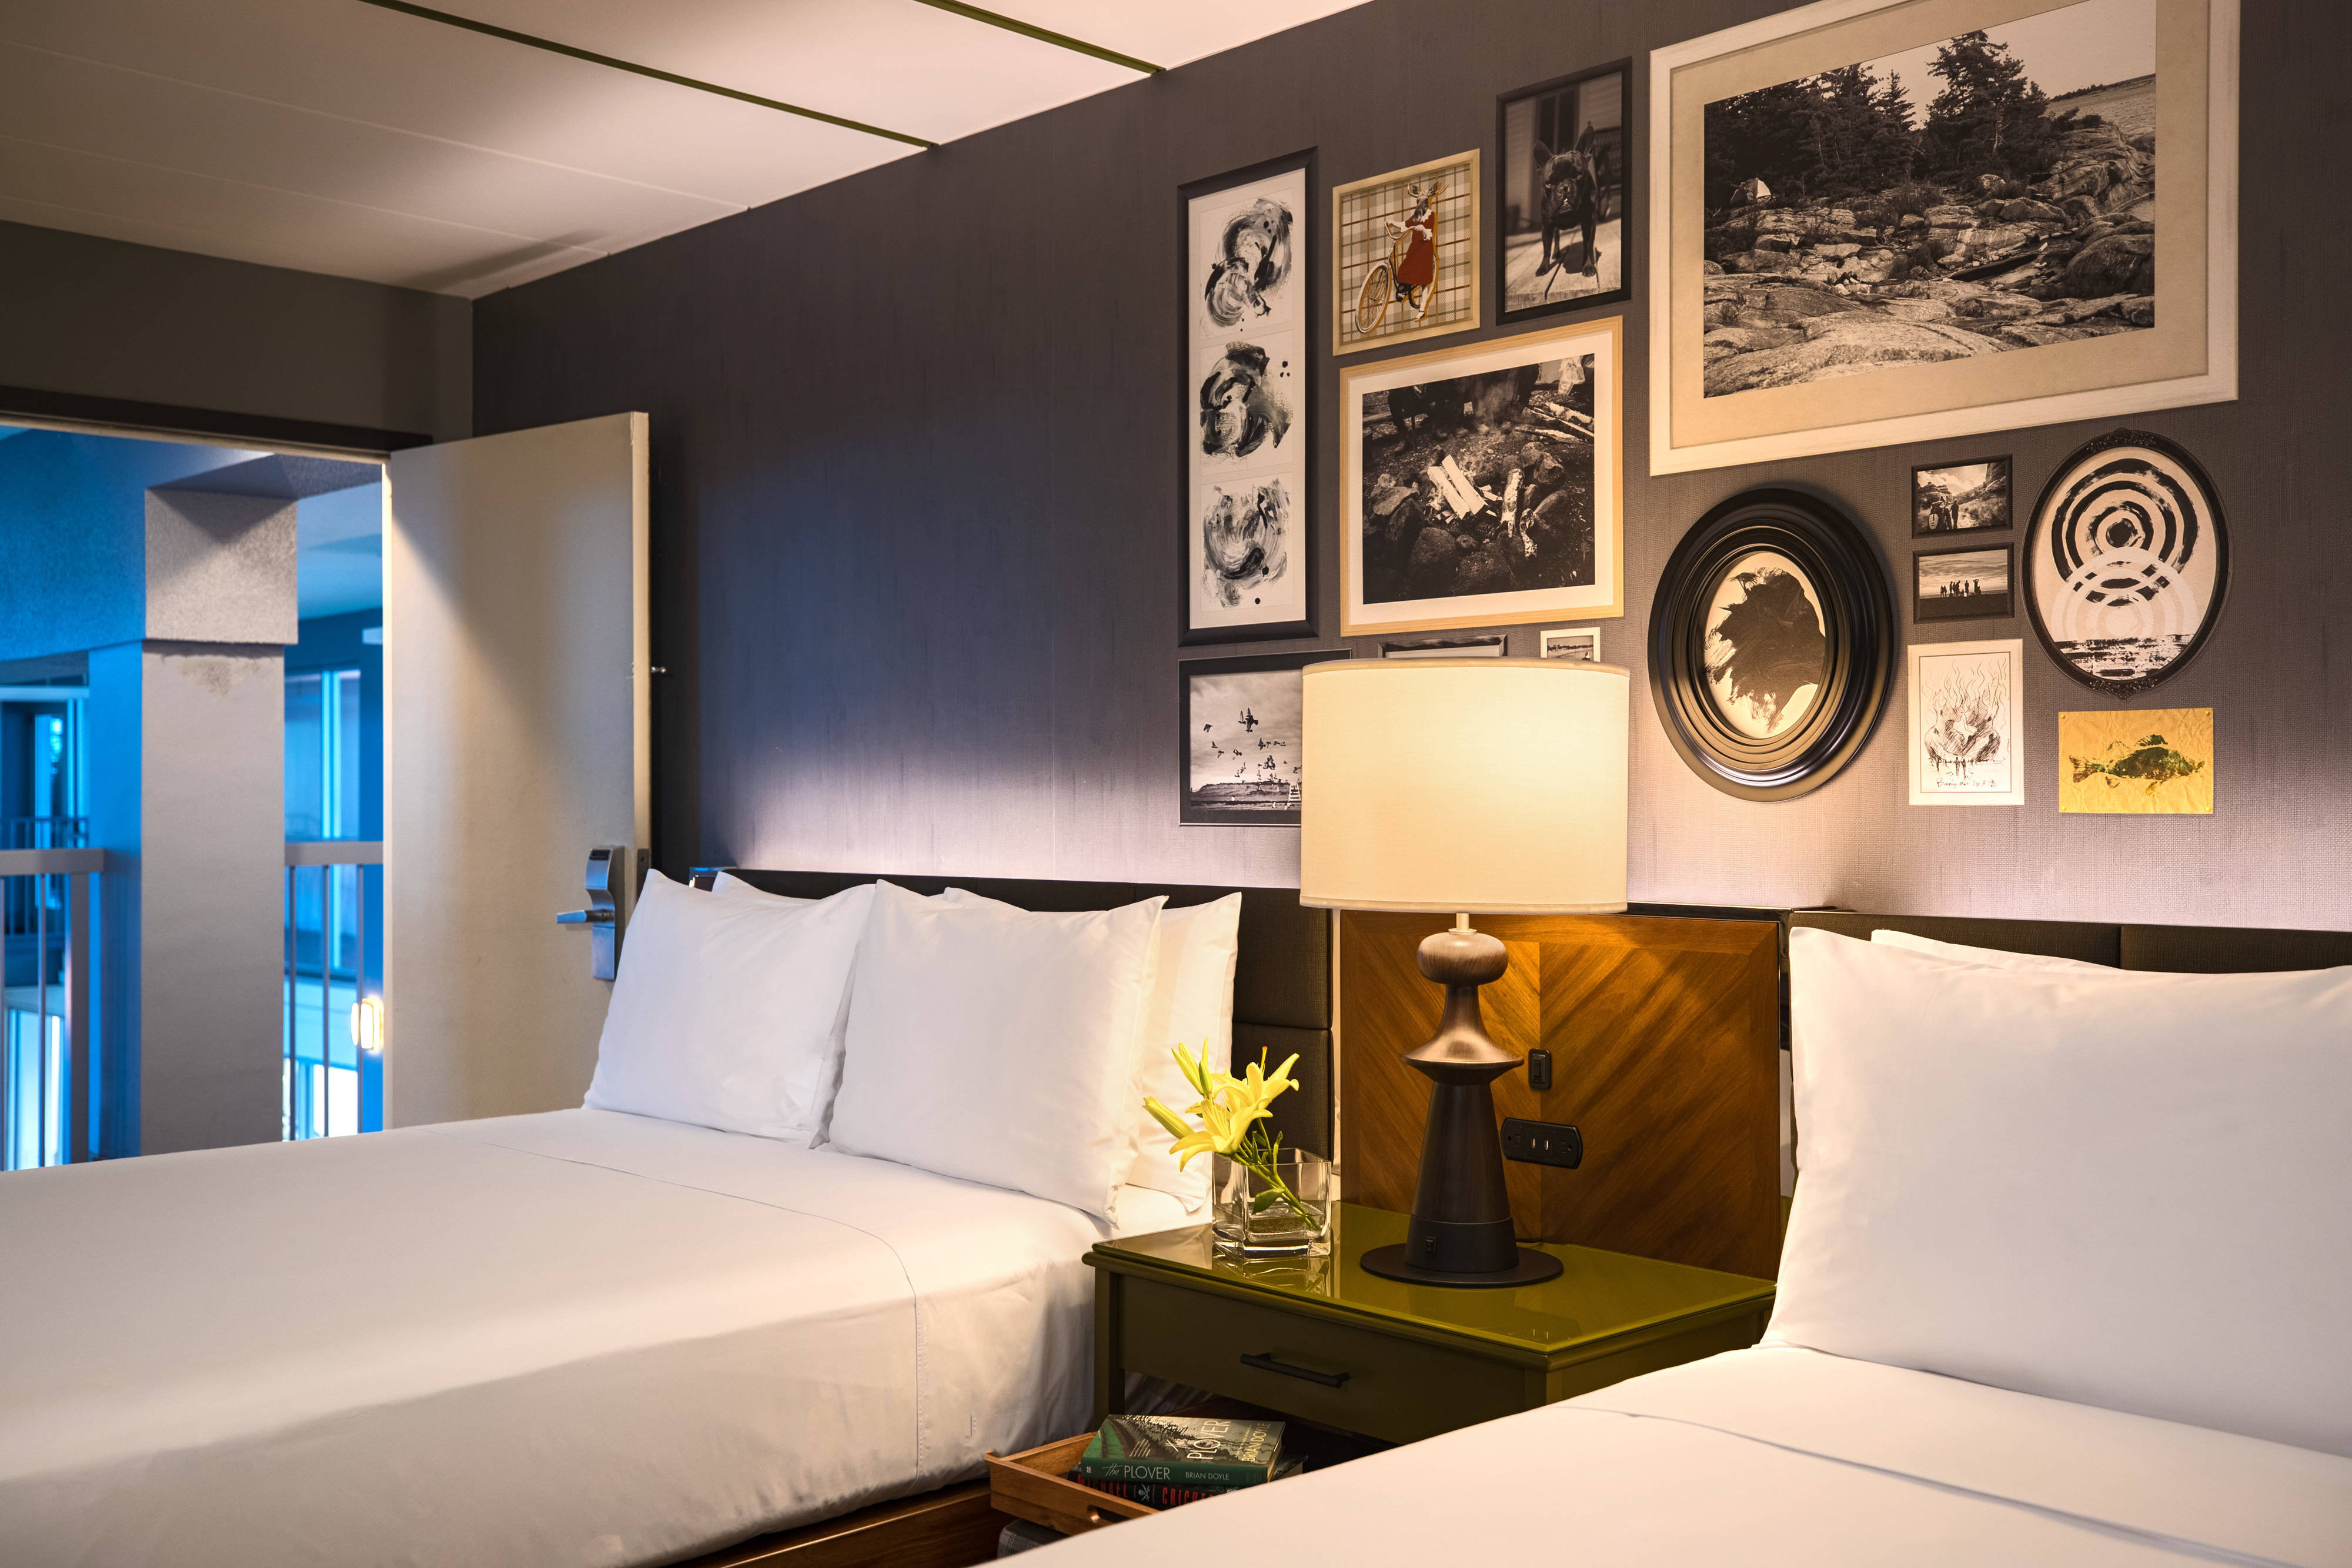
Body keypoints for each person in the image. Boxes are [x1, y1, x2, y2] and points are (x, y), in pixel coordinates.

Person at [1385, 182, 1439, 304]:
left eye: (1424, 202)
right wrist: (1393, 223)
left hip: (1425, 248)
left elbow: (1429, 233)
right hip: (1415, 247)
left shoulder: (1431, 215)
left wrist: (1423, 229)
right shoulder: (1416, 216)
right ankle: (1404, 288)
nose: (1421, 205)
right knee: (1404, 267)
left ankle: (1408, 288)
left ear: (1427, 203)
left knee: (1415, 268)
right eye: (1419, 202)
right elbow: (1405, 224)